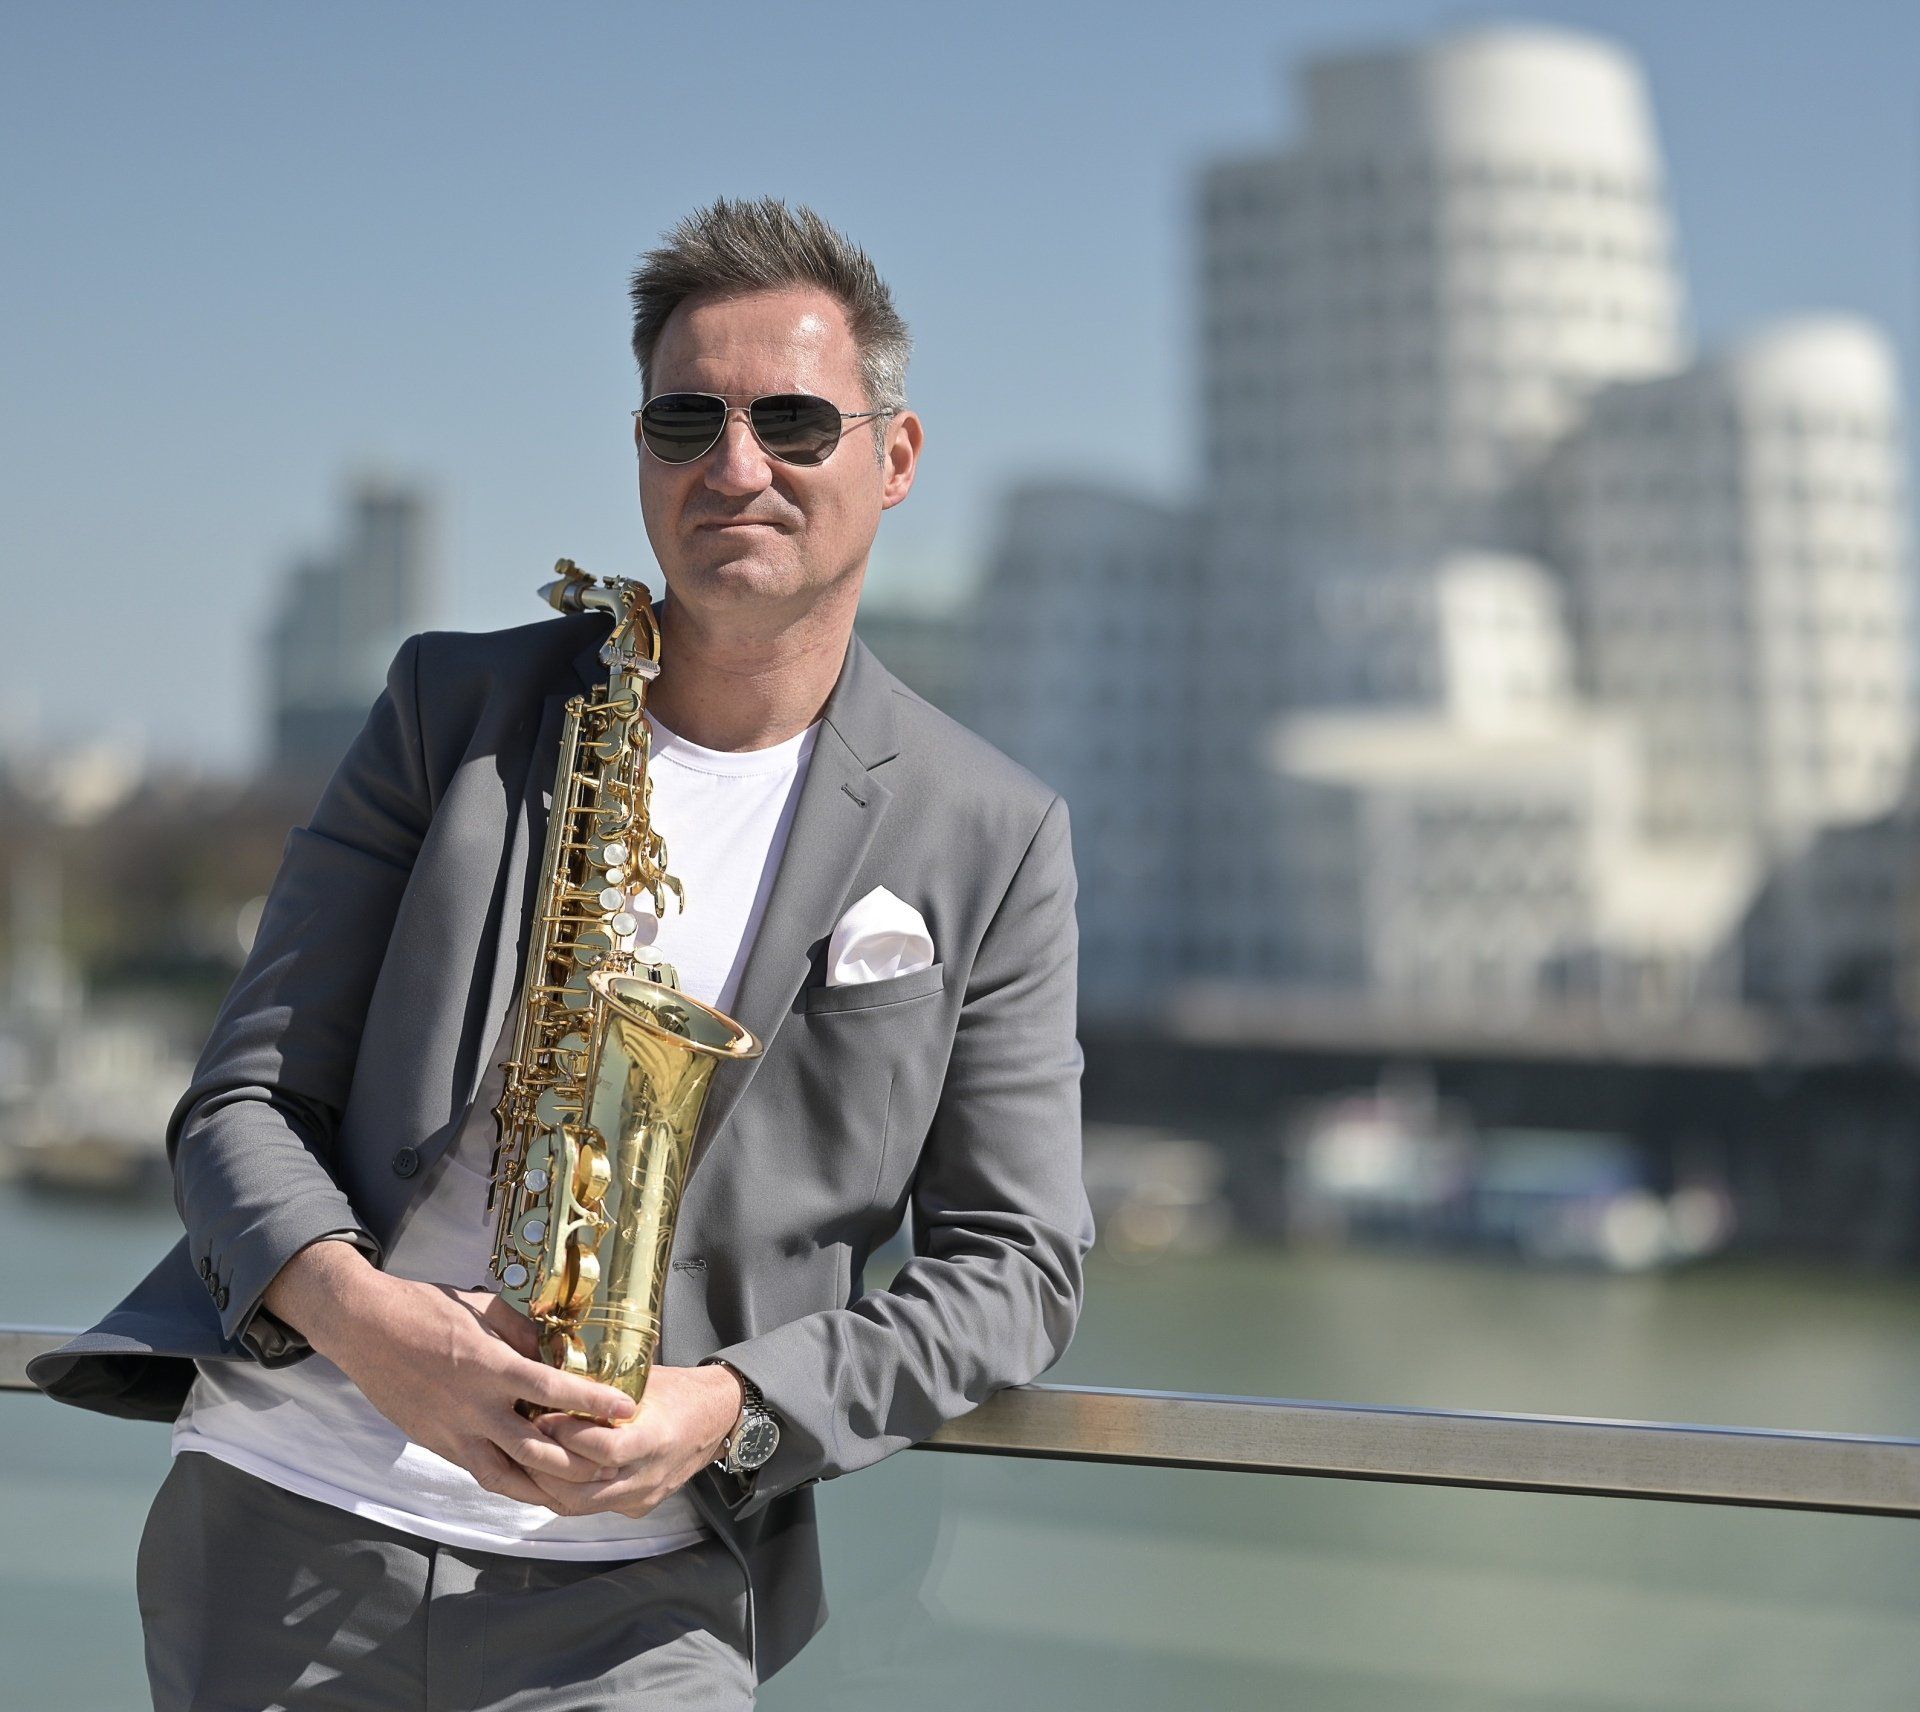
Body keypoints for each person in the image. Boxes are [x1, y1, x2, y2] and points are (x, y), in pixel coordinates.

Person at [29, 196, 1094, 1708]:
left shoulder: (993, 831)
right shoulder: (447, 710)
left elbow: (1015, 1269)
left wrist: (728, 1406)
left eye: (795, 422)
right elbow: (239, 1103)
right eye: (686, 421)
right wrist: (371, 1326)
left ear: (896, 455)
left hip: (642, 1600)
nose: (737, 467)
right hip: (283, 1523)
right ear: (641, 450)